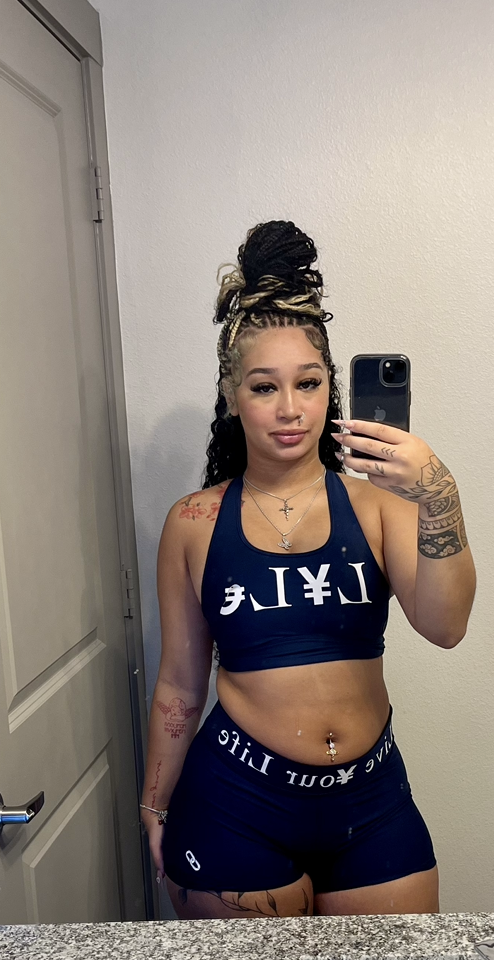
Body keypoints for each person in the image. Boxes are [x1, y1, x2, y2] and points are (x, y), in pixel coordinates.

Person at [141, 221, 475, 917]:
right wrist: (154, 801)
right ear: (232, 395)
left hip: (370, 803)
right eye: (265, 387)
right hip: (235, 804)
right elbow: (179, 680)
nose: (290, 409)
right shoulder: (194, 522)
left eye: (308, 383)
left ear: (330, 390)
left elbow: (446, 626)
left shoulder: (380, 503)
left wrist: (438, 492)